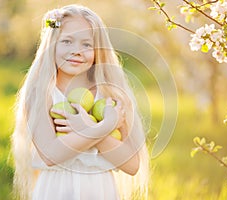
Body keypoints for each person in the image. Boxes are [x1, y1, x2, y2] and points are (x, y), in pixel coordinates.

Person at [11, 4, 149, 200]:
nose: (77, 51)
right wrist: (103, 126)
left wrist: (86, 127)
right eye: (67, 41)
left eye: (86, 44)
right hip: (56, 189)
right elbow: (50, 155)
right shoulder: (42, 93)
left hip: (100, 190)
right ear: (52, 44)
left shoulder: (109, 94)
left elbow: (131, 165)